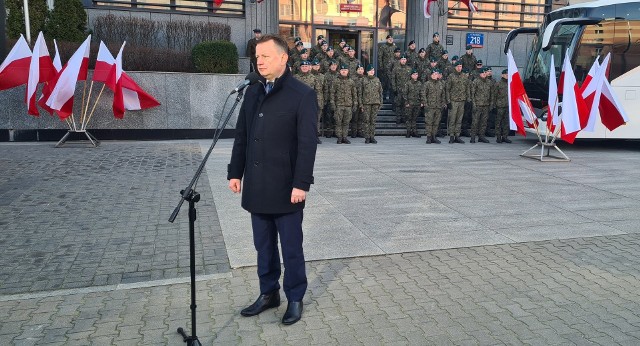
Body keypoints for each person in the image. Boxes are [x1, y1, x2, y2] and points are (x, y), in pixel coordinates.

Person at [228, 34, 318, 326]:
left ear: (283, 58)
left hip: (287, 188)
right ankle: (269, 294)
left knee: (291, 248)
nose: (260, 60)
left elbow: (307, 144)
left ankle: (294, 297)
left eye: (266, 55)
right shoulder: (252, 91)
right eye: (257, 56)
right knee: (263, 247)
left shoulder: (301, 94)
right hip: (257, 185)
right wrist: (235, 171)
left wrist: (301, 184)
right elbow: (242, 135)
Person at [331, 64, 358, 144]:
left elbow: (354, 94)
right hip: (339, 105)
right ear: (340, 71)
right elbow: (332, 93)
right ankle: (339, 137)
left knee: (346, 122)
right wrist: (332, 103)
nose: (344, 71)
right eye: (342, 70)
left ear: (347, 71)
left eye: (345, 70)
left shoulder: (351, 81)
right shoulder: (336, 81)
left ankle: (345, 137)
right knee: (338, 122)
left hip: (348, 105)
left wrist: (355, 103)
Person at [445, 61, 469, 143]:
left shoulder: (464, 76)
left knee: (459, 119)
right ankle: (451, 135)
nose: (459, 68)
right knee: (452, 119)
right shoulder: (451, 76)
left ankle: (457, 135)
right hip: (453, 100)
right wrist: (448, 101)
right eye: (458, 66)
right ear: (455, 67)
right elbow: (447, 89)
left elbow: (467, 89)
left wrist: (468, 100)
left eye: (461, 66)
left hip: (462, 100)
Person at [470, 67, 493, 143]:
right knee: (475, 122)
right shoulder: (476, 81)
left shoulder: (489, 82)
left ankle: (481, 136)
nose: (484, 74)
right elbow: (472, 94)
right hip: (478, 104)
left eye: (485, 73)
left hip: (486, 105)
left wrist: (491, 104)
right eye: (483, 73)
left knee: (483, 122)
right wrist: (473, 104)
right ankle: (473, 137)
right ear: (480, 74)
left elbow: (491, 94)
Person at [360, 64, 382, 144]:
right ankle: (367, 137)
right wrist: (361, 104)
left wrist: (380, 103)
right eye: (370, 71)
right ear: (367, 72)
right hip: (366, 103)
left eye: (373, 71)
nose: (372, 72)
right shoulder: (363, 80)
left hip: (375, 103)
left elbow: (380, 92)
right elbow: (360, 93)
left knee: (373, 121)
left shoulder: (377, 80)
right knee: (366, 120)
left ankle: (372, 136)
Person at [424, 69, 446, 143]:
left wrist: (443, 103)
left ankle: (434, 136)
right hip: (430, 106)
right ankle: (428, 137)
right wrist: (425, 104)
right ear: (431, 75)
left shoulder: (440, 84)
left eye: (437, 74)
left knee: (436, 122)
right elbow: (423, 94)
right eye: (434, 74)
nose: (436, 75)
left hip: (438, 106)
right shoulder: (427, 84)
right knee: (429, 122)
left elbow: (443, 94)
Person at [493, 69, 512, 143]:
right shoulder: (498, 84)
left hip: (508, 105)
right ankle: (498, 137)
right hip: (500, 105)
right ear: (502, 75)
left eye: (508, 74)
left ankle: (505, 136)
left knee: (506, 122)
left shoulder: (510, 83)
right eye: (506, 74)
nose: (507, 76)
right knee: (498, 122)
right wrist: (494, 106)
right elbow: (494, 96)